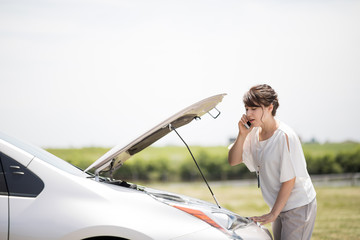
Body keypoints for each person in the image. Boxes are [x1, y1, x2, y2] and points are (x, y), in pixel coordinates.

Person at [228, 84, 317, 240]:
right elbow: (233, 161)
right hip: (279, 206)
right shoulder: (253, 132)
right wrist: (241, 135)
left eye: (254, 109)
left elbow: (289, 180)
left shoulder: (284, 136)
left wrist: (272, 214)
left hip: (298, 205)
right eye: (246, 109)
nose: (248, 114)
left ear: (269, 108)